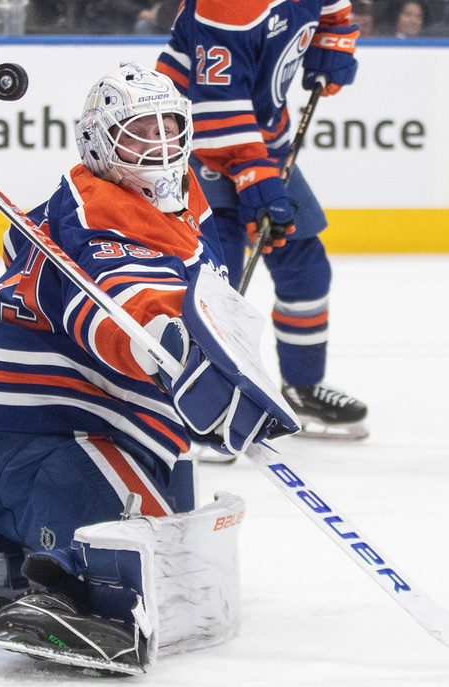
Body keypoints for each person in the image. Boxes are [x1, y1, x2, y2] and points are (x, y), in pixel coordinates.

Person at [0, 63, 300, 675]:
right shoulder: (99, 221)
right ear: (99, 143)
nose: (162, 144)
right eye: (138, 132)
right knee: (162, 532)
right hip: (50, 446)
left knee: (144, 483)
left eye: (170, 126)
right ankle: (69, 595)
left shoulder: (134, 211)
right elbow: (121, 308)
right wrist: (171, 350)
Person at [155, 1, 370, 444]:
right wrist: (256, 178)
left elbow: (332, 12)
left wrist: (332, 39)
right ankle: (188, 401)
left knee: (307, 268)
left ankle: (301, 386)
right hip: (195, 142)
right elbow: (215, 106)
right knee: (215, 281)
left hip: (265, 140)